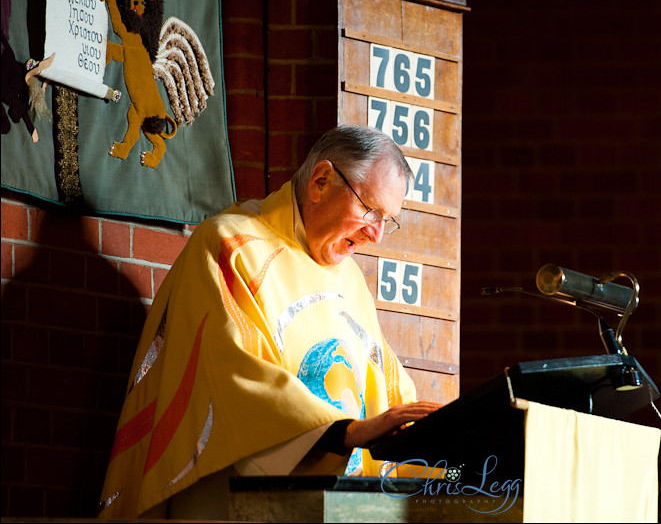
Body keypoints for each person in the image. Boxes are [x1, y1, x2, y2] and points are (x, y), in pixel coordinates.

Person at [97, 126, 442, 519]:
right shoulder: (230, 245)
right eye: (371, 210)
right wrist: (342, 431)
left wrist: (443, 440)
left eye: (388, 220)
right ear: (321, 181)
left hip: (336, 505)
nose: (377, 234)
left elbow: (388, 390)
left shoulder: (352, 284)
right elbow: (230, 372)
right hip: (233, 499)